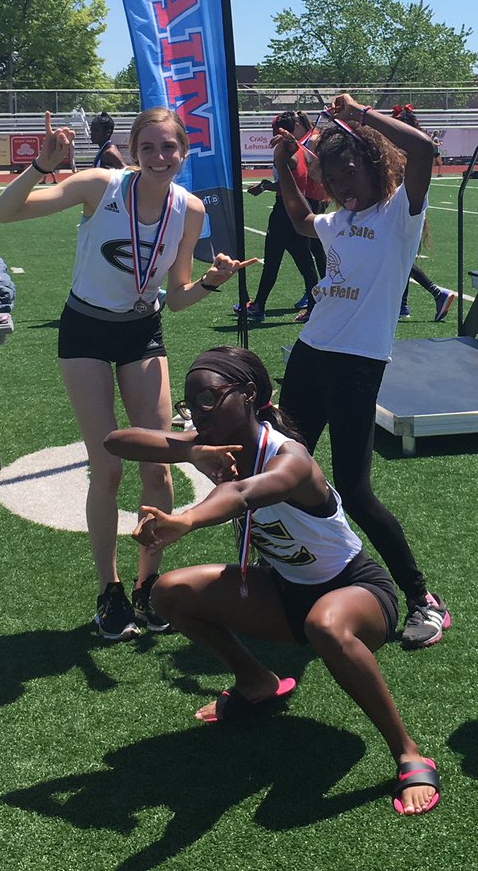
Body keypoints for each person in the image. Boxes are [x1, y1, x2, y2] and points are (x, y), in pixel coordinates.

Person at [104, 346, 441, 816]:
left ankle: (406, 750)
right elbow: (116, 441)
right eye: (190, 404)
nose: (197, 413)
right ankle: (256, 682)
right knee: (167, 593)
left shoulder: (292, 459)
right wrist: (190, 449)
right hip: (285, 592)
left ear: (247, 395)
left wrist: (187, 520)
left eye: (208, 400)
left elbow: (244, 492)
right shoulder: (209, 440)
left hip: (357, 592)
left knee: (326, 625)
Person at [0, 108, 252, 640]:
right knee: (107, 466)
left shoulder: (191, 208)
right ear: (134, 151)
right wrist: (40, 166)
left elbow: (176, 299)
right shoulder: (98, 186)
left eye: (170, 148)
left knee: (158, 466)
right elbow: (3, 213)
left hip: (142, 331)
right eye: (149, 148)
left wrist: (212, 282)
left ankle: (146, 588)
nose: (160, 157)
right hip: (84, 330)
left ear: (183, 152)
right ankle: (109, 590)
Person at [272, 94, 450, 648]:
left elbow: (423, 150)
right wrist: (283, 169)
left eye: (353, 169)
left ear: (375, 164)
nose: (345, 183)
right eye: (333, 174)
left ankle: (422, 598)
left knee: (353, 488)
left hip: (356, 368)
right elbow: (302, 221)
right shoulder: (340, 220)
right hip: (308, 354)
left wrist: (359, 116)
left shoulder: (399, 215)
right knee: (280, 470)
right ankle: (298, 577)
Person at [234, 112, 321, 325]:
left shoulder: (287, 150)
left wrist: (265, 183)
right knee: (304, 263)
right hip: (298, 212)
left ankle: (259, 306)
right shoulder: (301, 149)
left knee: (274, 262)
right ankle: (311, 306)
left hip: (284, 212)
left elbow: (286, 180)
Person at [391, 107, 456, 322]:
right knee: (402, 255)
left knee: (402, 256)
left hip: (406, 204)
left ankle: (437, 293)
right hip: (414, 204)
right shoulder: (419, 144)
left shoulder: (409, 148)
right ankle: (402, 305)